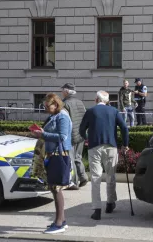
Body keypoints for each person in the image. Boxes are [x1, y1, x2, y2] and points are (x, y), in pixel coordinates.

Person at [79, 90, 129, 221]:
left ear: (96, 99)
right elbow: (124, 127)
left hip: (94, 146)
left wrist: (86, 139)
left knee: (95, 177)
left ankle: (97, 209)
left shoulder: (90, 111)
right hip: (111, 146)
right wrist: (125, 144)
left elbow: (81, 129)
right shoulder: (113, 111)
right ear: (107, 101)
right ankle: (110, 203)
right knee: (110, 175)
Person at [31, 93, 72, 234]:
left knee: (57, 189)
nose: (46, 109)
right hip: (54, 155)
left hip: (59, 155)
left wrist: (42, 134)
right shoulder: (55, 116)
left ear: (56, 104)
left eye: (48, 106)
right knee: (55, 189)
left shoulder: (62, 117)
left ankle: (59, 223)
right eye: (44, 106)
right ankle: (61, 221)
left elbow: (62, 136)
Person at [61, 83, 89, 189]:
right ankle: (83, 177)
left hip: (71, 136)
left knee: (71, 159)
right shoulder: (80, 102)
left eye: (63, 90)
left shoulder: (65, 104)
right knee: (78, 157)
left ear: (67, 92)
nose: (61, 92)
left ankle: (74, 182)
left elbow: (65, 121)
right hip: (81, 134)